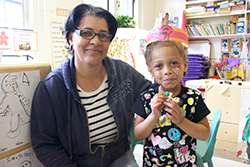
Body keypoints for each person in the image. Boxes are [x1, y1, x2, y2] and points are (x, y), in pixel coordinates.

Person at [30, 3, 152, 167]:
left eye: (103, 35)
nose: (96, 41)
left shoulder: (123, 72)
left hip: (120, 156)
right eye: (87, 33)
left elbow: (150, 94)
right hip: (76, 163)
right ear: (71, 38)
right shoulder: (51, 88)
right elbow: (46, 145)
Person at [132, 40, 211, 167]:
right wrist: (153, 116)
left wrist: (181, 121)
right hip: (153, 164)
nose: (167, 71)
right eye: (159, 66)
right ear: (151, 71)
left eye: (174, 63)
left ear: (185, 65)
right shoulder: (146, 98)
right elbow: (139, 135)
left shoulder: (193, 98)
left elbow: (205, 134)